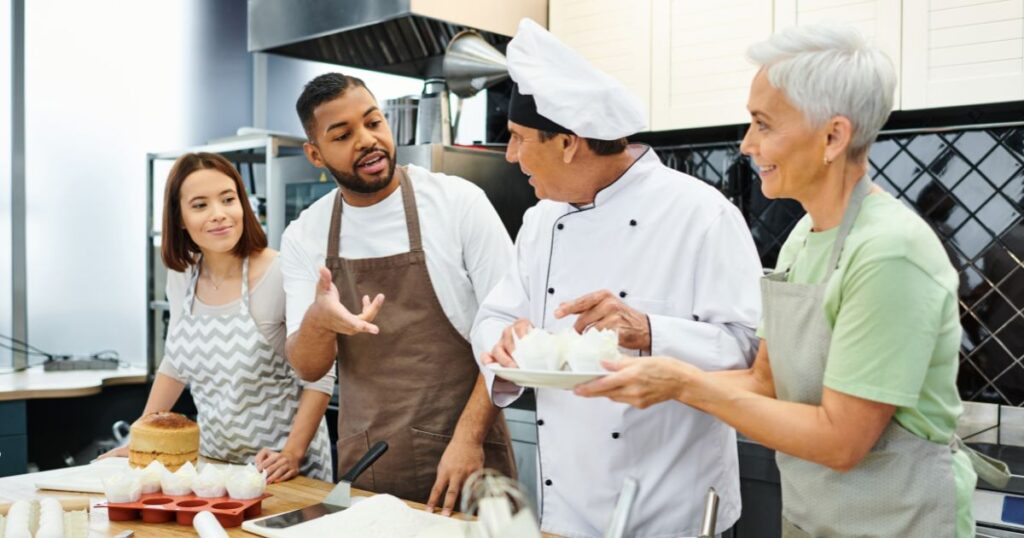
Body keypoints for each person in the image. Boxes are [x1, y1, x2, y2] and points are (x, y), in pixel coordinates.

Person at [576, 23, 1010, 537]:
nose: (745, 144)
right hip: (815, 520)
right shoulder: (805, 235)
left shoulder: (890, 252)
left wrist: (684, 383)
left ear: (833, 136)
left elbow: (841, 441)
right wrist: (653, 376)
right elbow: (766, 381)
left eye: (762, 124)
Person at [473, 19, 763, 538]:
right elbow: (495, 313)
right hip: (566, 514)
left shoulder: (701, 214)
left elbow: (749, 352)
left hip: (674, 511)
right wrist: (504, 342)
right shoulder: (541, 221)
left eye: (518, 140)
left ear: (567, 143)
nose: (511, 156)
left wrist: (651, 330)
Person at [281, 73, 516, 514]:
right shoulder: (305, 234)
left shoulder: (457, 203)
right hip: (370, 464)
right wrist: (319, 320)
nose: (367, 140)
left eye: (373, 122)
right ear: (315, 154)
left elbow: (512, 336)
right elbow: (308, 364)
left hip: (468, 457)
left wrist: (468, 440)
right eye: (343, 134)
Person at [101, 152, 332, 482]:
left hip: (282, 469)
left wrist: (292, 454)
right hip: (214, 466)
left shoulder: (281, 272)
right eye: (200, 205)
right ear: (179, 217)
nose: (219, 215)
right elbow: (174, 365)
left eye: (228, 199)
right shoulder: (182, 275)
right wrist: (142, 441)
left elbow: (320, 376)